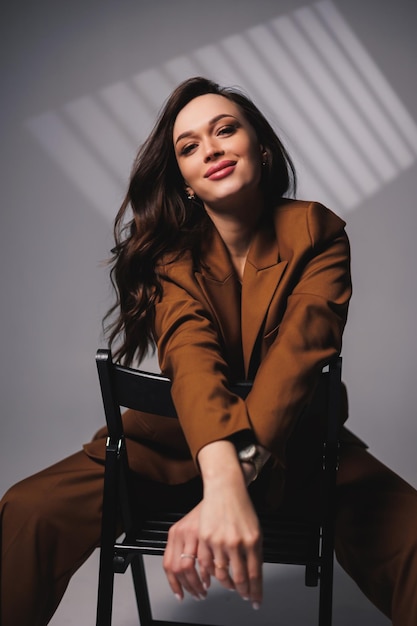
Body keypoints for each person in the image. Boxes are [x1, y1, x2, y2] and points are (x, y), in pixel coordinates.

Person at [1, 76, 416, 626]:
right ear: (185, 181)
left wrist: (235, 480)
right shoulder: (169, 256)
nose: (211, 150)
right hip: (172, 447)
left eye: (225, 130)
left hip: (298, 449)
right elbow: (190, 359)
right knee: (29, 511)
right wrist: (222, 479)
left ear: (261, 149)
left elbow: (300, 353)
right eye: (190, 146)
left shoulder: (316, 231)